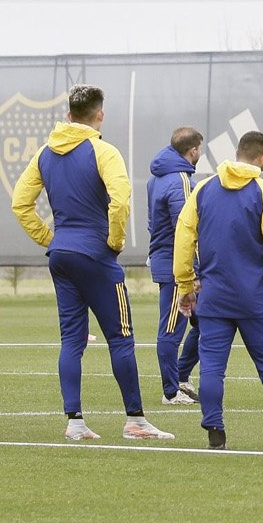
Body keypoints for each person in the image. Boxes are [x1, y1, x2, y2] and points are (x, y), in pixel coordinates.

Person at [12, 84, 171, 442]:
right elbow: (120, 199)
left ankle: (75, 422)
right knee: (121, 337)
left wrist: (50, 239)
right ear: (99, 115)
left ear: (68, 115)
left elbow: (21, 204)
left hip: (62, 255)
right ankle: (135, 421)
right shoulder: (103, 150)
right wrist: (114, 241)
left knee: (71, 340)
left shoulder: (44, 154)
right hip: (95, 254)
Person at [174, 131, 263, 451]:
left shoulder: (203, 189)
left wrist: (185, 285)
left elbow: (184, 238)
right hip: (255, 298)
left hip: (214, 297)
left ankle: (215, 434)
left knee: (213, 367)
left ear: (236, 152)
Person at [148, 127, 203, 405]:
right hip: (176, 266)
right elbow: (184, 228)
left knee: (205, 320)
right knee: (171, 327)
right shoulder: (180, 179)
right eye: (199, 150)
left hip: (166, 259)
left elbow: (152, 223)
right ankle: (171, 392)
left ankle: (180, 375)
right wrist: (191, 271)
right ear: (193, 151)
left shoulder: (156, 177)